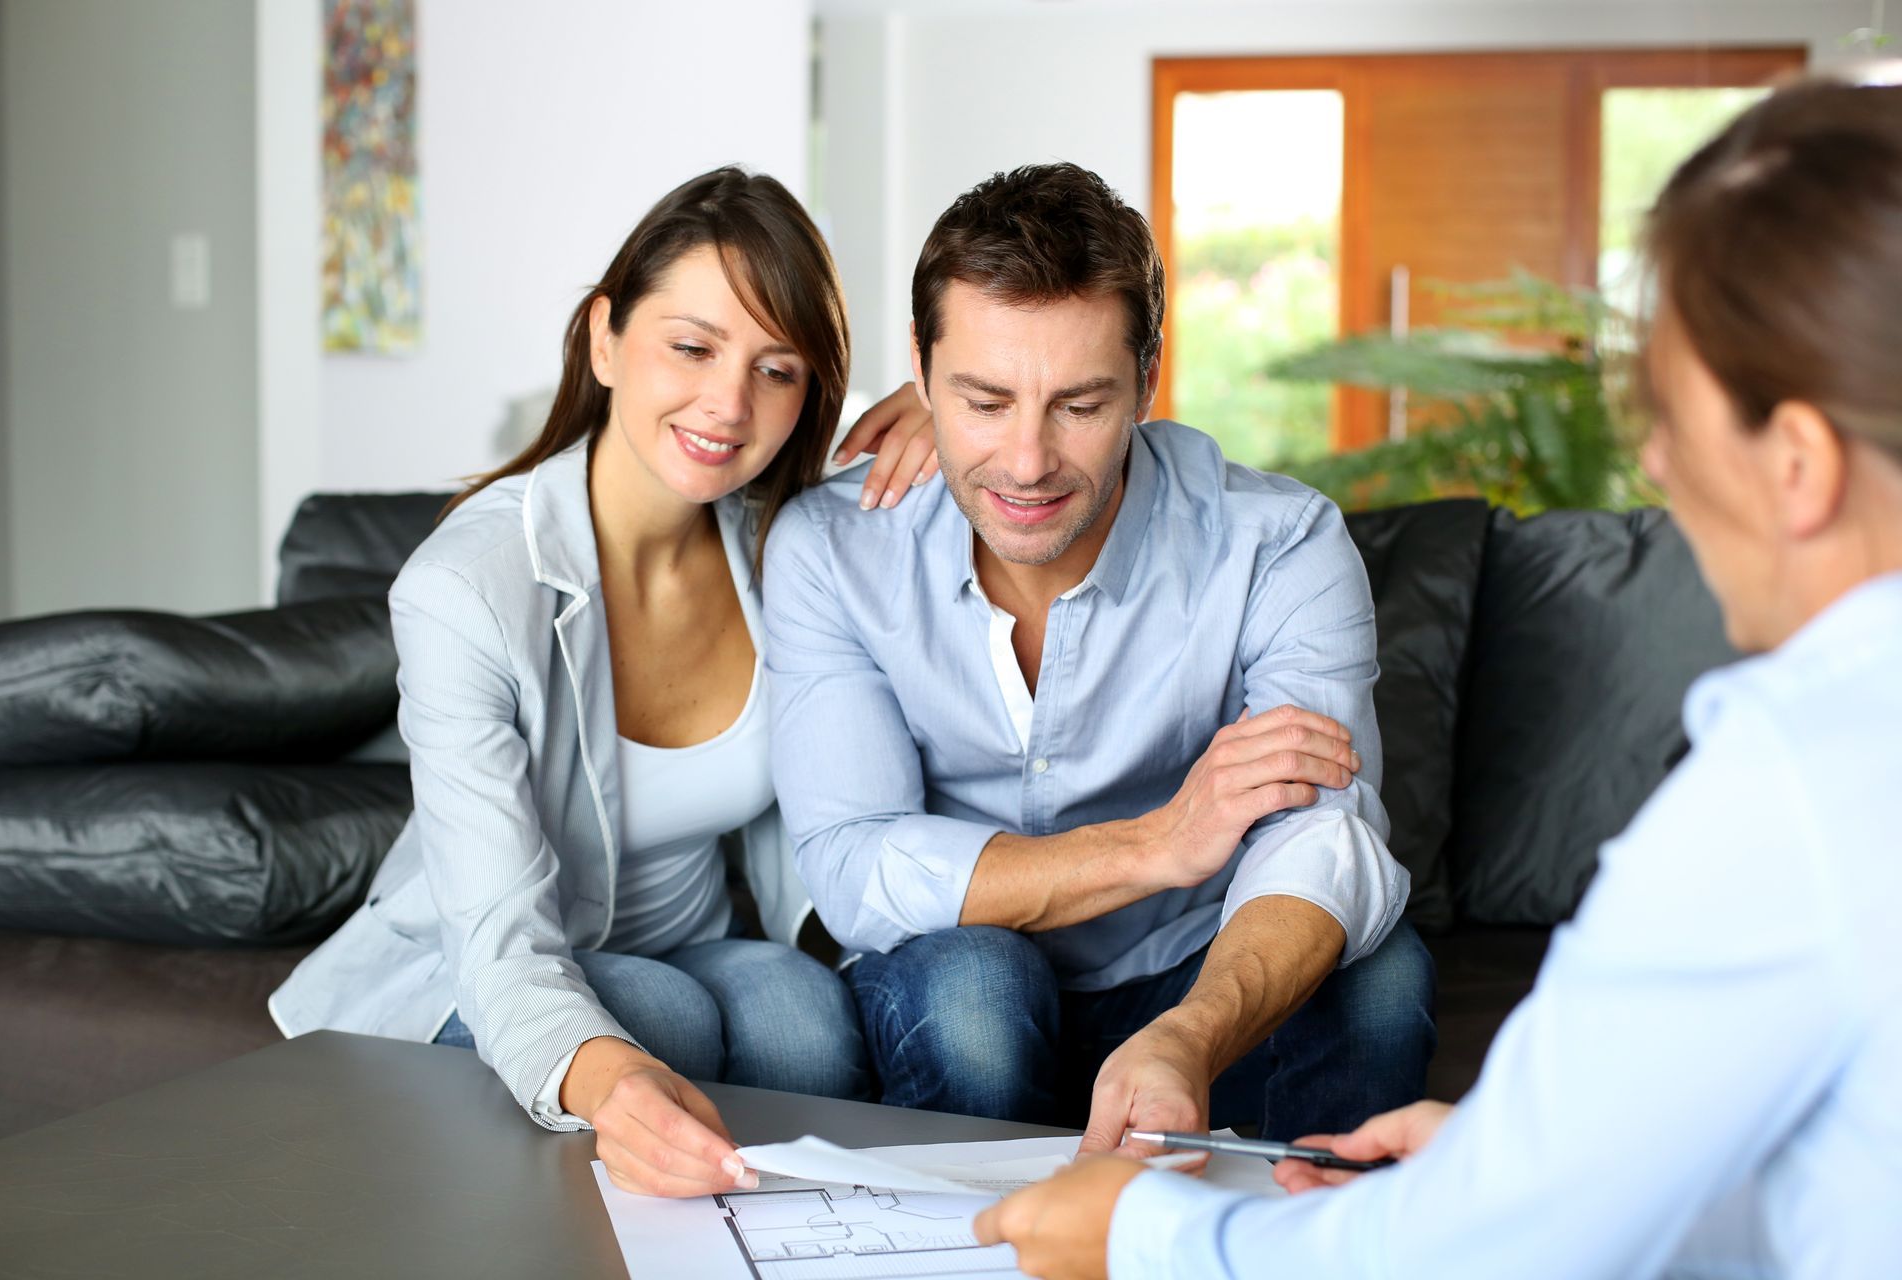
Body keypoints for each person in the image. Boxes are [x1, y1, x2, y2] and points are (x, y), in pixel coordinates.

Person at [973, 79, 1902, 1279]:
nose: (1658, 464)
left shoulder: (1795, 787)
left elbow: (1487, 1256)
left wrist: (1142, 1233)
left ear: (1798, 463)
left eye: (1672, 413)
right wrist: (1521, 1163)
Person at [269, 167, 939, 1199]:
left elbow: (1006, 464)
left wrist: (946, 409)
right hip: (485, 967)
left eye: (776, 369)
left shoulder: (783, 538)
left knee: (804, 1020)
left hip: (694, 945)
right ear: (605, 339)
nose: (729, 404)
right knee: (656, 1020)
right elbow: (499, 940)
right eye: (692, 347)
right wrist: (612, 1077)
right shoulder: (465, 588)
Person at [762, 162, 1435, 1151]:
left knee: (1380, 979)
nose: (1027, 462)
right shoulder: (834, 547)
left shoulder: (1278, 542)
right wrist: (1157, 842)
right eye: (985, 400)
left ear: (1148, 379)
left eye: (1078, 405)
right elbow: (854, 859)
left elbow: (1324, 837)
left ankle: (1299, 1229)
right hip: (965, 973)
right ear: (920, 366)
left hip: (1194, 964)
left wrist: (1192, 1036)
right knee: (976, 989)